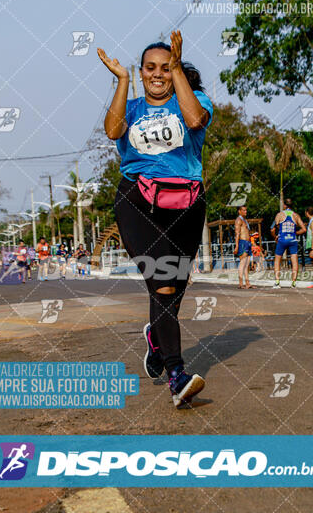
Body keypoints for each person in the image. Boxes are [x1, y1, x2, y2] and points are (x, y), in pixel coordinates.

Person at [98, 30, 212, 407]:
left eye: (166, 67)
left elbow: (195, 120)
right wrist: (123, 81)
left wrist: (179, 68)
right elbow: (113, 130)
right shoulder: (130, 108)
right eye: (151, 68)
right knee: (162, 280)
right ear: (143, 71)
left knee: (173, 289)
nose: (158, 74)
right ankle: (176, 375)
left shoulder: (193, 102)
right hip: (138, 199)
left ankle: (155, 339)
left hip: (187, 202)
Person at [271, 199, 306, 288]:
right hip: (292, 240)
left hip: (282, 240)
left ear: (284, 205)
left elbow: (272, 229)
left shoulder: (280, 215)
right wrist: (295, 233)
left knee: (277, 260)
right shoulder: (296, 215)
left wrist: (275, 236)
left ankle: (277, 282)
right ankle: (293, 283)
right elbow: (304, 229)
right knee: (294, 261)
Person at [234, 205, 254, 289]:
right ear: (239, 211)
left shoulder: (245, 220)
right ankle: (240, 283)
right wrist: (236, 246)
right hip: (242, 243)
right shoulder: (238, 220)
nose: (245, 211)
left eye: (246, 210)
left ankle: (247, 283)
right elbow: (237, 233)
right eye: (244, 210)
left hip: (248, 243)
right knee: (242, 263)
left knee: (247, 264)